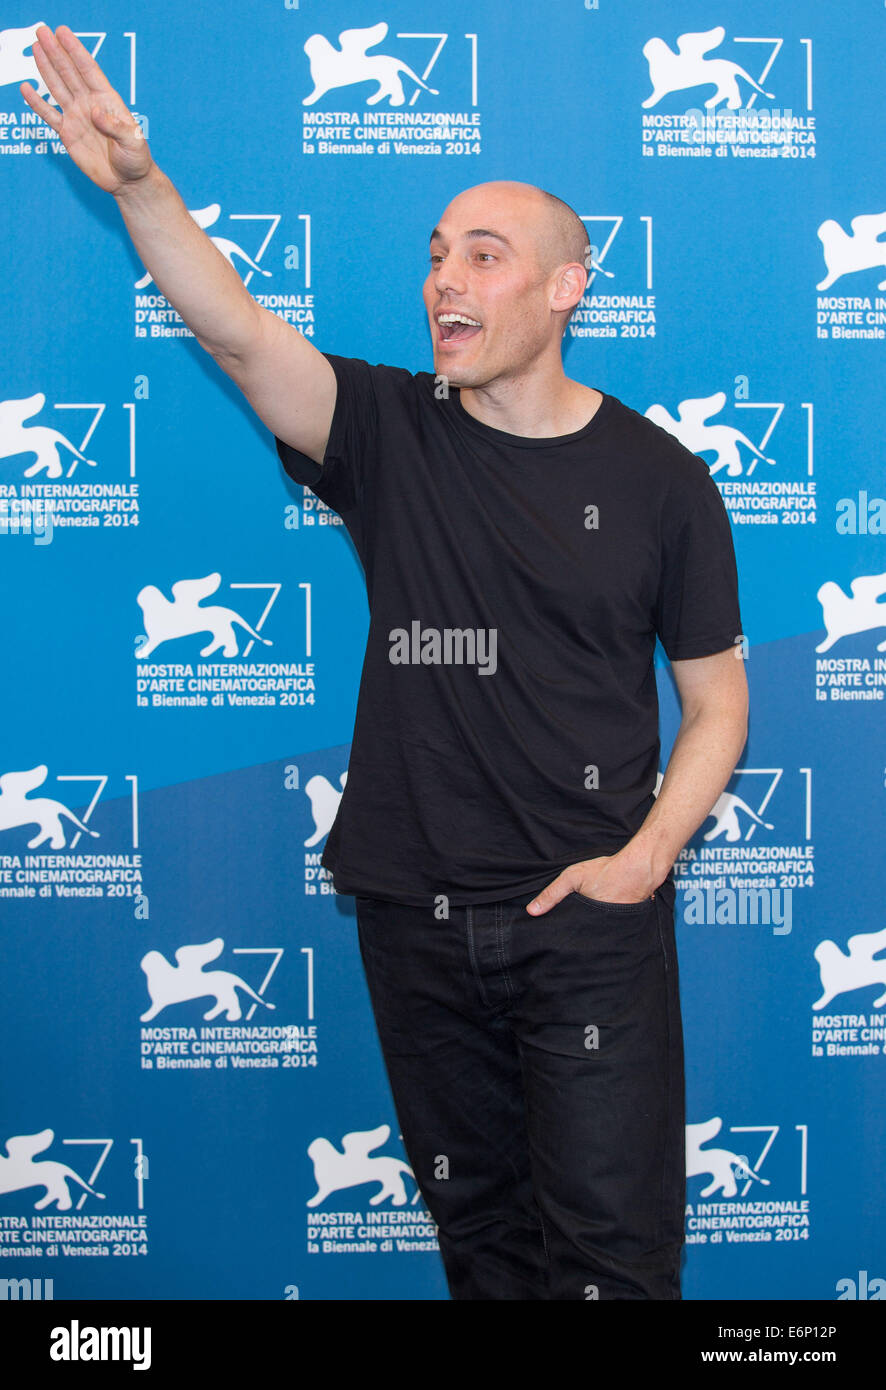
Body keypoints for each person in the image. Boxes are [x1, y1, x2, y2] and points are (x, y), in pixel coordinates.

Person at [23, 25, 749, 1301]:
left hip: (587, 931)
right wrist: (141, 187)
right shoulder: (388, 433)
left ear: (569, 286)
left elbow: (715, 704)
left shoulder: (661, 482)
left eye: (484, 254)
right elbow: (241, 333)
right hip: (413, 922)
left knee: (612, 1269)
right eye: (433, 255)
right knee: (485, 1262)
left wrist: (640, 860)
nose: (444, 281)